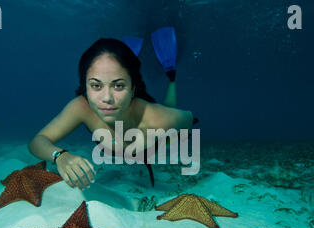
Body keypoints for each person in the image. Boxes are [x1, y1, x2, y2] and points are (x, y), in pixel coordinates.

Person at [28, 27, 195, 190]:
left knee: (168, 107)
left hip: (157, 132)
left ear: (133, 89)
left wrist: (168, 138)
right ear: (84, 86)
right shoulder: (82, 107)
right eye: (96, 85)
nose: (107, 98)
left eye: (118, 86)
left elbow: (188, 118)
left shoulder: (157, 118)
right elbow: (38, 141)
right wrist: (59, 156)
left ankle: (170, 74)